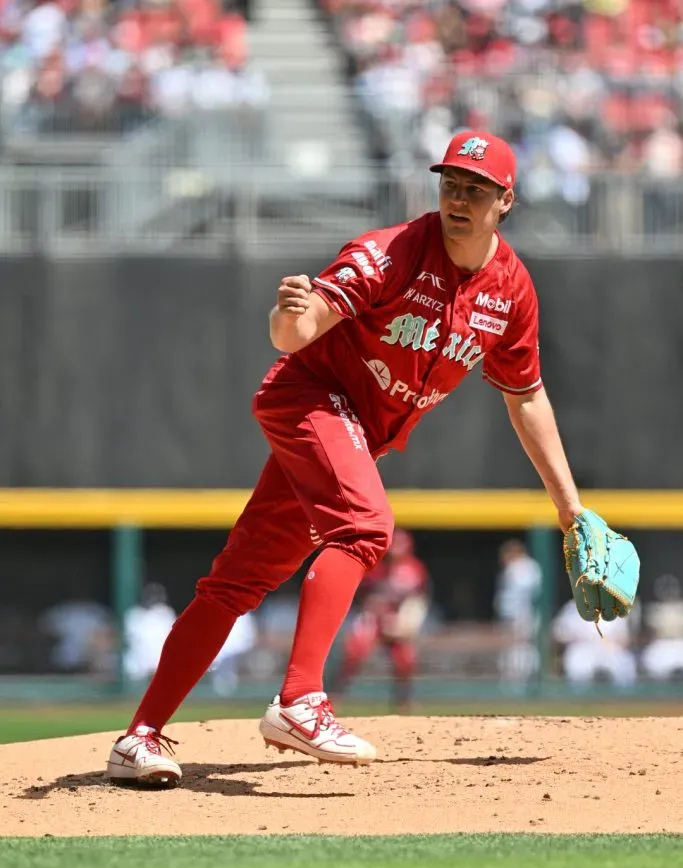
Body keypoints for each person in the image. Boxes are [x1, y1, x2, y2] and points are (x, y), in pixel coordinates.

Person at [107, 129, 585, 787]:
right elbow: (296, 332)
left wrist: (571, 510)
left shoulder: (510, 291)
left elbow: (526, 397)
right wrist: (285, 318)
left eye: (475, 189)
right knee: (363, 529)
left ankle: (139, 737)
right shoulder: (388, 253)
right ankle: (300, 699)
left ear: (506, 199)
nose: (458, 198)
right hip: (310, 399)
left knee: (236, 582)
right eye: (450, 184)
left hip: (353, 430)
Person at [328, 528, 429, 712]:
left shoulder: (414, 569)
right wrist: (373, 608)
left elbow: (418, 600)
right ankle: (335, 695)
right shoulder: (374, 565)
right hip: (373, 618)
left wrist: (406, 623)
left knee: (405, 659)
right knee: (354, 651)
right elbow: (360, 595)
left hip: (397, 620)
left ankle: (404, 701)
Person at [552, 598, 637, 692]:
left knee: (624, 664)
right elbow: (558, 634)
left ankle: (622, 700)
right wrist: (576, 637)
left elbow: (624, 638)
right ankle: (579, 701)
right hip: (583, 650)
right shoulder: (573, 607)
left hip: (610, 650)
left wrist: (613, 643)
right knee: (577, 666)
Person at [493, 539, 542, 686]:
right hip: (515, 615)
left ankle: (525, 683)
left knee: (522, 649)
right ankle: (516, 684)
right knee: (514, 649)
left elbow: (522, 596)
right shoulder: (516, 568)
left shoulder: (524, 567)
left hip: (523, 615)